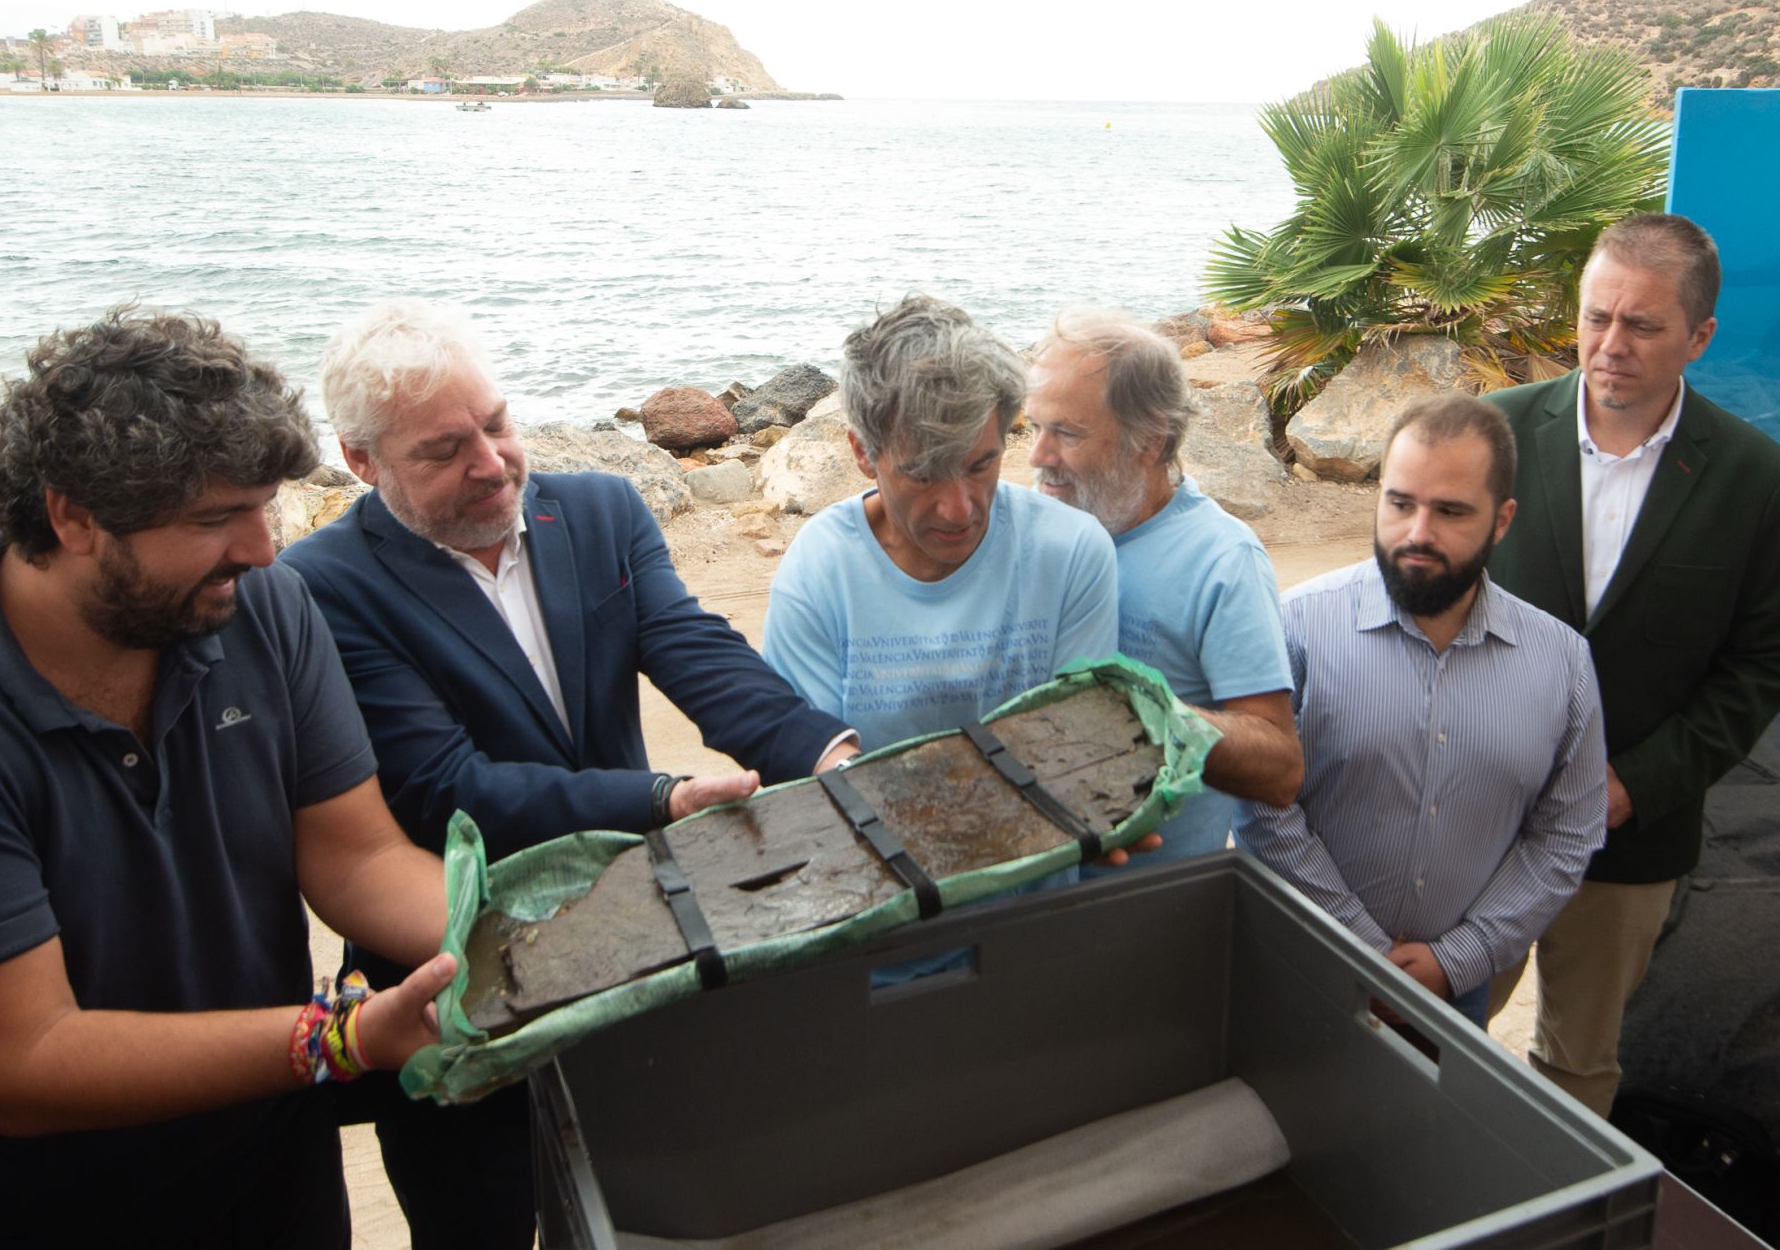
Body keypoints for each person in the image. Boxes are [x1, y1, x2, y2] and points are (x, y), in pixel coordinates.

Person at [0, 308, 454, 1248]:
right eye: (216, 519)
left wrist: (516, 943)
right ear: (73, 516)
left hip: (266, 1181)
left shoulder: (262, 607)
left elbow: (358, 854)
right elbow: (22, 1059)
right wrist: (338, 1040)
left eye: (263, 508)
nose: (262, 549)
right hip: (4, 1214)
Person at [280, 299, 856, 1248]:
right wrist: (658, 800)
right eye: (442, 450)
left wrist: (829, 756)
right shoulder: (320, 587)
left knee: (646, 1212)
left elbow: (697, 655)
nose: (490, 462)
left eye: (497, 424)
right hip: (453, 981)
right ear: (360, 461)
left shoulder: (600, 509)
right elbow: (444, 785)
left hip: (633, 943)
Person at [1485, 212, 1780, 1115]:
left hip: (1632, 837)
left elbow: (1760, 669)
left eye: (1642, 326)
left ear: (1700, 336)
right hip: (1474, 812)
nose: (1608, 346)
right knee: (1430, 1025)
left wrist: (1632, 786)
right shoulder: (1489, 433)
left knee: (1579, 1070)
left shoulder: (1756, 478)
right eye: (1594, 317)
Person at [1238, 394, 1607, 1027]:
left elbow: (1567, 833)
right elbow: (1260, 805)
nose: (1417, 534)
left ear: (1502, 520)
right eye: (1400, 503)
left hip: (1455, 994)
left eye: (1451, 511)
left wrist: (1458, 958)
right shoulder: (1293, 627)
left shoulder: (1563, 662)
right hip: (1296, 965)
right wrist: (1363, 944)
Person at [762, 292, 1119, 781]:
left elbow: (1082, 756)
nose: (959, 509)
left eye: (981, 465)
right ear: (864, 452)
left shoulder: (1071, 553)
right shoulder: (820, 572)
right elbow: (805, 775)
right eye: (925, 473)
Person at [1025, 307, 1303, 866]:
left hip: (1144, 903)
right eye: (1034, 427)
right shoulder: (1034, 523)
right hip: (1026, 891)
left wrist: (1144, 712)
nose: (1037, 457)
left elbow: (1279, 768)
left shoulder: (1222, 559)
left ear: (1149, 442)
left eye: (1067, 434)